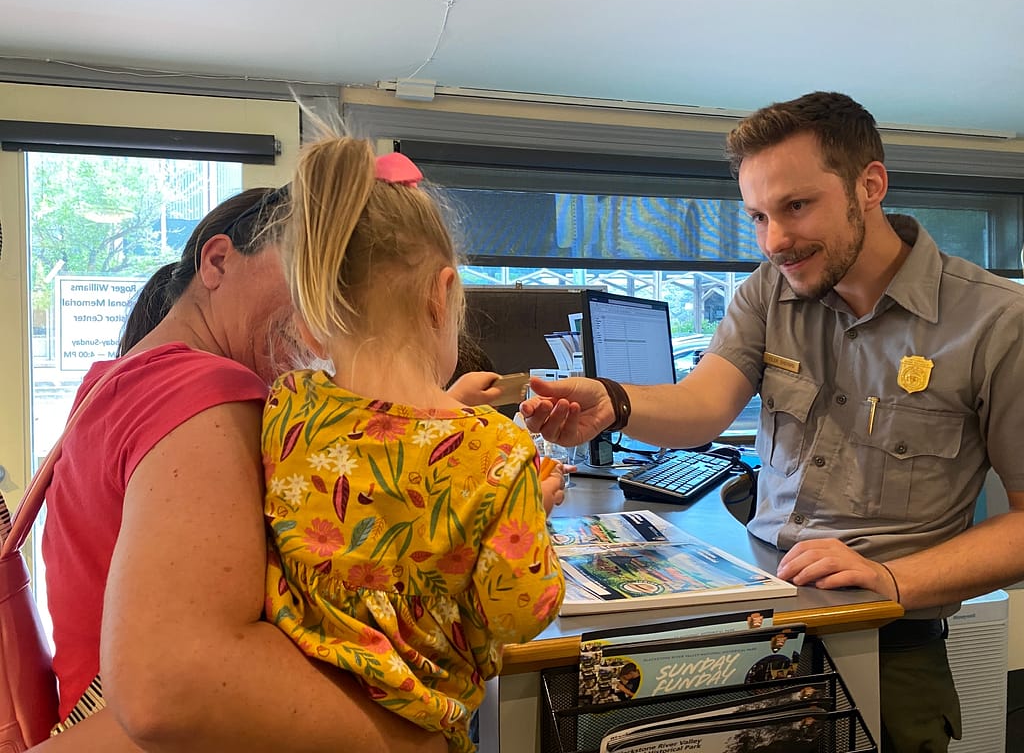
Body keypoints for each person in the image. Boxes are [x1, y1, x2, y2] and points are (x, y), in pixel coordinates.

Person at [520, 90, 1024, 752]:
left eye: (795, 206)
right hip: (756, 627)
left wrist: (894, 580)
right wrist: (615, 401)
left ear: (868, 185)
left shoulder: (995, 322)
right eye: (758, 216)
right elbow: (704, 404)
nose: (775, 241)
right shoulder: (768, 290)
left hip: (887, 647)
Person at [34, 187, 454, 752]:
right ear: (218, 261)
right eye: (308, 272)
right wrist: (420, 733)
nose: (324, 310)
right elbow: (173, 685)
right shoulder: (207, 390)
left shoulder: (116, 379)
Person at [261, 135, 566, 753]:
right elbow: (522, 612)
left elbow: (377, 450)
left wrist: (453, 408)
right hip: (421, 729)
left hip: (291, 712)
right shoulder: (498, 453)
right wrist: (528, 513)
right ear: (440, 292)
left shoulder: (288, 403)